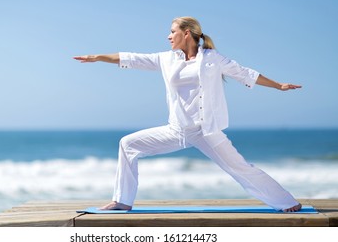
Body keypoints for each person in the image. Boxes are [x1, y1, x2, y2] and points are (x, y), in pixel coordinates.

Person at [73, 16, 303, 212]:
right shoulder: (166, 59)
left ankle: (285, 201)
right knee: (128, 144)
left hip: (206, 130)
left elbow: (245, 74)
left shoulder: (212, 58)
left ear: (186, 33)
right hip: (176, 129)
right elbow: (132, 58)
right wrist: (98, 57)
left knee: (240, 167)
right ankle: (122, 201)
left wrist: (278, 85)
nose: (168, 36)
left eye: (172, 32)